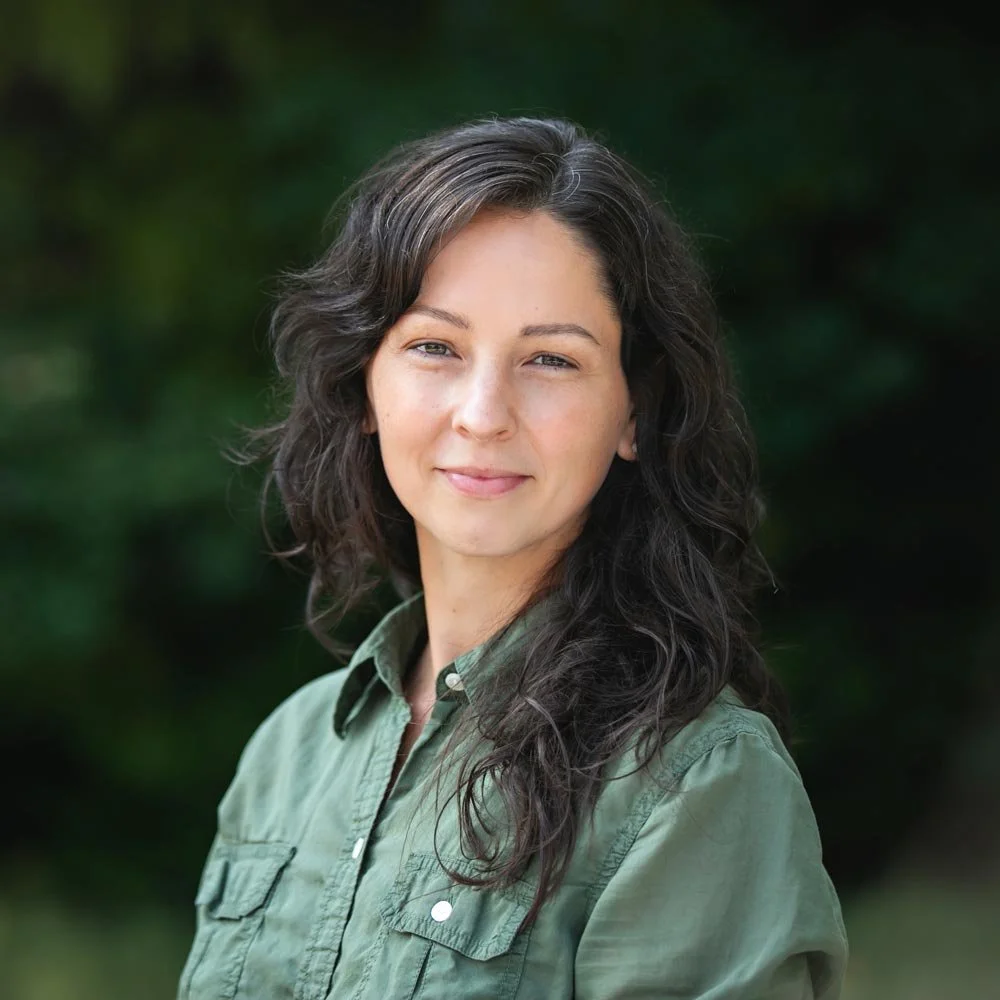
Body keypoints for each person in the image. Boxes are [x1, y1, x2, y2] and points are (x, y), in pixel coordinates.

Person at [177, 116, 848, 1000]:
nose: (484, 412)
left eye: (551, 360)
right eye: (435, 347)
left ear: (635, 413)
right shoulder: (289, 755)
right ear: (364, 384)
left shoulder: (698, 783)